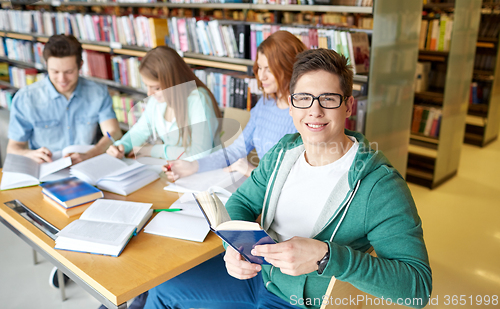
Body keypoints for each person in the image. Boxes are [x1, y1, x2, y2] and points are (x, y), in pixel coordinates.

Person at [144, 49, 432, 309]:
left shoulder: (379, 185)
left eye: (328, 99)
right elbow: (242, 201)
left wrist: (327, 256)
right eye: (303, 99)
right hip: (258, 279)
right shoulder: (285, 151)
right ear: (291, 106)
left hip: (301, 303)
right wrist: (233, 248)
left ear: (349, 106)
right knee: (161, 290)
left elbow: (417, 288)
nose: (314, 111)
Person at [6, 34, 122, 288]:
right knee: (63, 212)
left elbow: (113, 133)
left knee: (114, 209)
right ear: (45, 66)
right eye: (54, 71)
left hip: (86, 169)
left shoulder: (97, 92)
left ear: (80, 66)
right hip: (46, 178)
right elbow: (14, 149)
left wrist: (93, 152)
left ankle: (87, 263)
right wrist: (29, 154)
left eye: (69, 71)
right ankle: (69, 262)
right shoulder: (26, 98)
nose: (62, 79)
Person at [164, 30, 306, 180]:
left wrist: (250, 171)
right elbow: (237, 149)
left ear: (289, 68)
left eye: (269, 70)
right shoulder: (264, 105)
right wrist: (193, 165)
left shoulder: (306, 114)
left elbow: (297, 180)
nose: (261, 76)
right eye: (260, 68)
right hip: (261, 188)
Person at [106, 46, 221, 161]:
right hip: (176, 167)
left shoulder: (198, 100)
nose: (149, 93)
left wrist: (152, 150)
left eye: (156, 88)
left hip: (206, 171)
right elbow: (140, 131)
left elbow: (199, 154)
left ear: (173, 83)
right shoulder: (156, 102)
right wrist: (122, 145)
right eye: (146, 86)